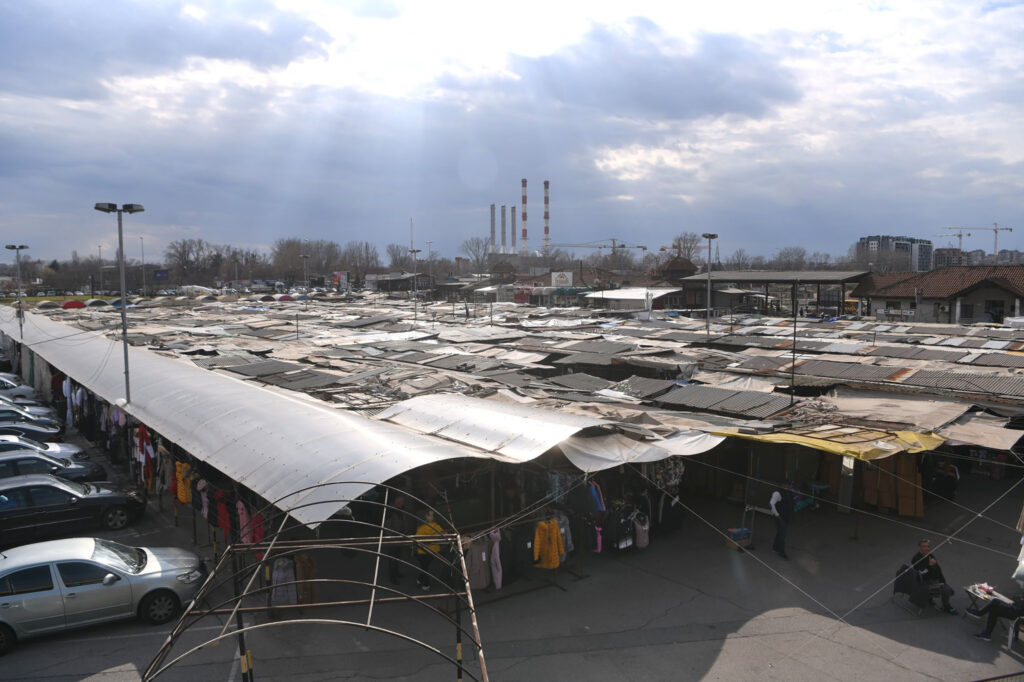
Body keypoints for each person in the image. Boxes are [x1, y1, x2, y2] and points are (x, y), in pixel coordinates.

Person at [910, 539, 957, 614]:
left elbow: (938, 570)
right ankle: (946, 606)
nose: (927, 548)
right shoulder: (916, 559)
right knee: (947, 590)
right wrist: (929, 566)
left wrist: (942, 581)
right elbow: (921, 573)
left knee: (948, 589)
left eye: (928, 546)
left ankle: (930, 598)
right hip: (926, 584)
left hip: (934, 581)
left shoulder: (930, 555)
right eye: (924, 546)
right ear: (920, 548)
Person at [414, 508, 444, 592]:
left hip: (429, 552)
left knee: (425, 567)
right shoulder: (422, 527)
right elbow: (417, 539)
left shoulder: (435, 526)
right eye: (430, 515)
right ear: (426, 516)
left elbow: (444, 533)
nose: (432, 516)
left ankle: (423, 582)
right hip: (423, 552)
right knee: (425, 567)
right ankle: (423, 582)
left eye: (433, 515)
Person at [769, 480, 794, 559]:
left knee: (780, 532)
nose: (788, 486)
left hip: (786, 516)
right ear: (783, 485)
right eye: (787, 485)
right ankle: (781, 552)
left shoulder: (788, 492)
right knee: (783, 534)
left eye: (789, 485)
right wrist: (777, 514)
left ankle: (775, 547)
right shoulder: (777, 493)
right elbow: (771, 504)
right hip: (780, 517)